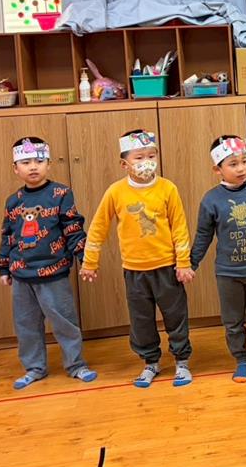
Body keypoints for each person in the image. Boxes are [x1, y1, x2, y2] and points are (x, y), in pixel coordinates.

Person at [81, 130, 193, 388]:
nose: (147, 162)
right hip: (134, 271)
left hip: (167, 268)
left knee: (176, 316)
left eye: (151, 156)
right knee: (141, 320)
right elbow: (98, 227)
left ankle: (182, 361)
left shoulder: (168, 188)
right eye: (139, 157)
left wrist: (183, 262)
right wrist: (90, 262)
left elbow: (180, 227)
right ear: (124, 164)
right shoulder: (115, 192)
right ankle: (151, 362)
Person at [0, 137, 97, 390]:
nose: (33, 166)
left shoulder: (61, 193)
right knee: (26, 325)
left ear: (49, 164)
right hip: (21, 275)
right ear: (15, 168)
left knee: (65, 322)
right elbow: (8, 235)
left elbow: (73, 228)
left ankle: (76, 365)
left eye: (39, 161)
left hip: (54, 272)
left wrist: (85, 258)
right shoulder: (13, 201)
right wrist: (3, 267)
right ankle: (34, 368)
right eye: (26, 162)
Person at [191, 135, 246, 383]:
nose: (241, 168)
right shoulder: (211, 200)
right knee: (232, 322)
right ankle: (240, 360)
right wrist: (191, 263)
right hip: (228, 273)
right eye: (233, 164)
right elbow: (203, 236)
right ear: (217, 169)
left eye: (244, 162)